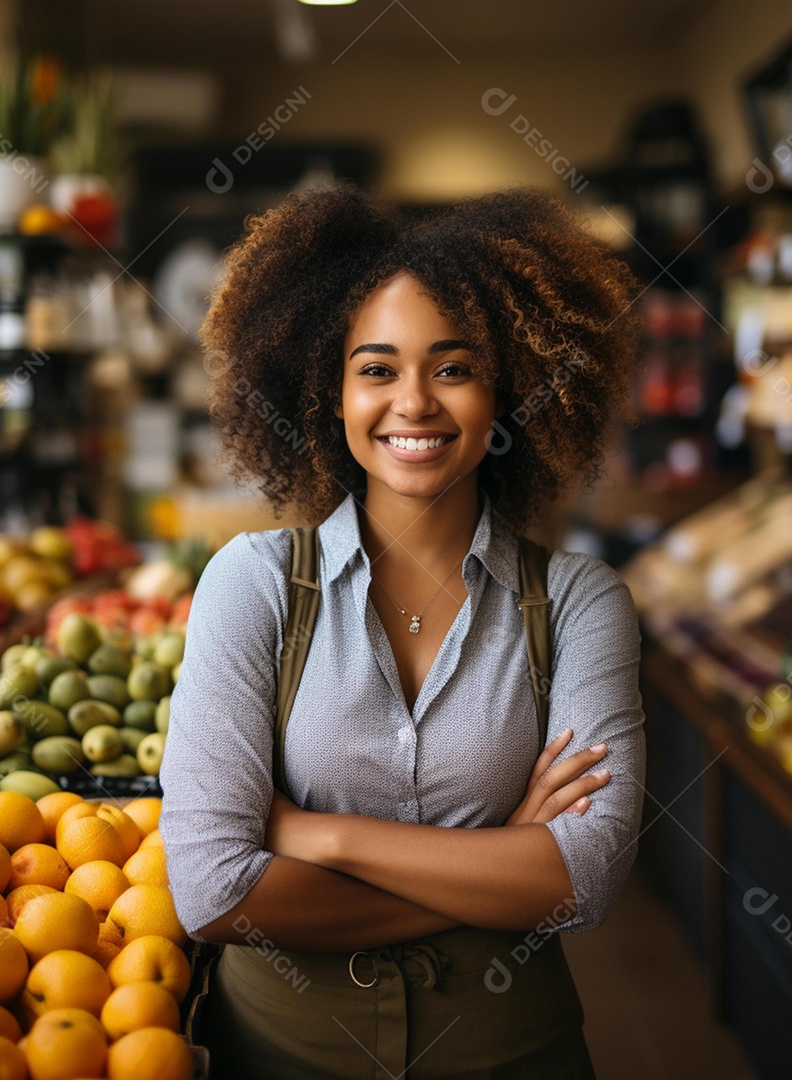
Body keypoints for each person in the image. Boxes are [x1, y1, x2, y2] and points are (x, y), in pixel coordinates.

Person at [159, 181, 646, 1079]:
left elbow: (587, 877)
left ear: (507, 392)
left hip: (515, 1052)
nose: (414, 402)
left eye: (454, 367)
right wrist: (503, 870)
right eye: (376, 369)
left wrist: (316, 834)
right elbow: (212, 892)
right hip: (280, 1054)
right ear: (328, 394)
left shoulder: (582, 603)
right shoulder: (253, 585)